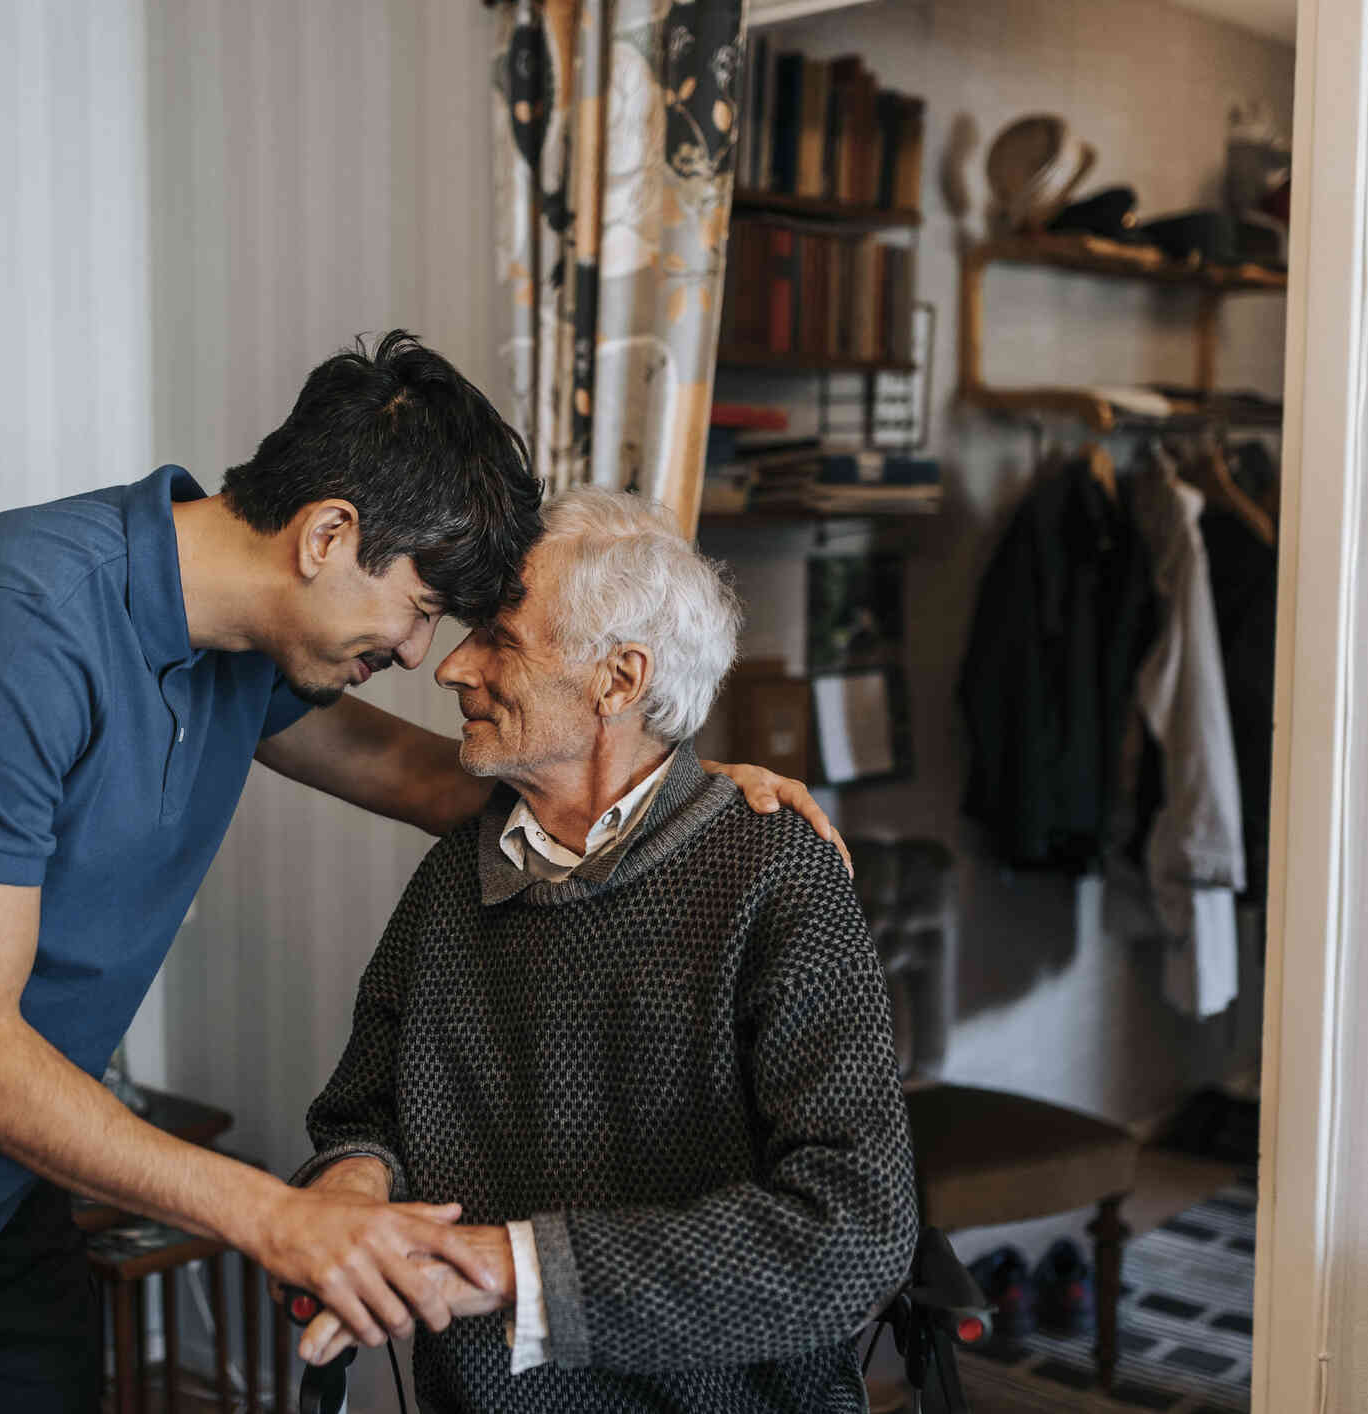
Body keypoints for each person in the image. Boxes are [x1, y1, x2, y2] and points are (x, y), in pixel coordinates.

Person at [0, 332, 844, 1412]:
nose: (423, 656)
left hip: (7, 1166)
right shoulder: (12, 630)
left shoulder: (244, 643)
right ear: (327, 535)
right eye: (420, 608)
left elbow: (431, 778)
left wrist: (684, 785)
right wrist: (275, 1216)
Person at [291, 488, 917, 1413]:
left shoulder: (775, 877)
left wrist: (511, 1270)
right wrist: (350, 1185)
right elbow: (364, 1111)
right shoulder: (452, 885)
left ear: (619, 682)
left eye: (498, 638)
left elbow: (855, 1231)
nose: (450, 668)